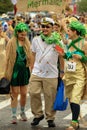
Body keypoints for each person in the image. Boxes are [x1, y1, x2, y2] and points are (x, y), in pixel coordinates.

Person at [29, 17, 64, 127]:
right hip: (37, 72)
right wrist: (31, 68)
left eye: (47, 27)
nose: (44, 29)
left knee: (50, 96)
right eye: (43, 26)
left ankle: (50, 117)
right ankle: (38, 115)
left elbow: (61, 57)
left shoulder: (57, 41)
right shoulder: (35, 40)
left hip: (51, 73)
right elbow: (33, 55)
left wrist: (62, 71)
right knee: (33, 92)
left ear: (52, 28)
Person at [58, 20, 87, 130]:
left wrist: (82, 57)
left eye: (69, 30)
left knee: (75, 97)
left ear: (75, 31)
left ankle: (74, 123)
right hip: (69, 73)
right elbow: (68, 57)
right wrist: (63, 55)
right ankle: (76, 121)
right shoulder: (69, 42)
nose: (67, 32)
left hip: (80, 74)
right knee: (71, 98)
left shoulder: (84, 43)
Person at [4, 22, 33, 124]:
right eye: (21, 35)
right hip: (14, 71)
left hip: (24, 71)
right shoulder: (11, 42)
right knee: (15, 93)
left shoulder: (27, 42)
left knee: (24, 93)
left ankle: (22, 112)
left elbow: (30, 56)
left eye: (25, 34)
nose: (23, 36)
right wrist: (7, 73)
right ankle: (13, 115)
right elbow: (7, 59)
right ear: (17, 33)